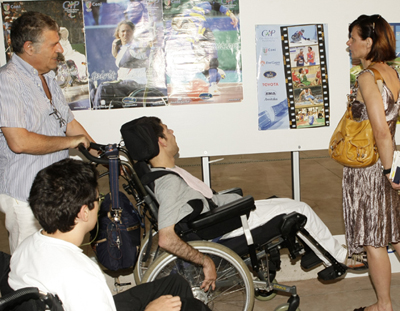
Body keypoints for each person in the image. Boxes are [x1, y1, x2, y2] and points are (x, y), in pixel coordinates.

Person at [8, 158, 273, 311]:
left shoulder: (26, 248)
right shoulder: (80, 273)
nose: (100, 202)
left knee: (176, 285)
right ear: (82, 213)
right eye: (96, 198)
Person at [129, 116, 367, 289]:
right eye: (167, 130)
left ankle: (315, 251)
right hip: (227, 225)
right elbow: (167, 237)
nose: (172, 132)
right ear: (160, 141)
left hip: (226, 215)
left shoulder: (164, 172)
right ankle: (338, 260)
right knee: (298, 210)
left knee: (283, 202)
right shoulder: (168, 183)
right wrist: (205, 260)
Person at [0, 11, 95, 254]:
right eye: (53, 44)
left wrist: (99, 151)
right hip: (24, 196)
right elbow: (18, 141)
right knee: (29, 266)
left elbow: (68, 122)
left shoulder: (48, 77)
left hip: (53, 192)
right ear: (29, 47)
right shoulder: (7, 81)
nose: (60, 49)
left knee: (56, 258)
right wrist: (72, 142)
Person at [344, 14, 400, 311]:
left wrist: (388, 172)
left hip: (372, 168)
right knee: (394, 233)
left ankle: (383, 305)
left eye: (353, 37)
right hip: (388, 161)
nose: (349, 43)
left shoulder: (367, 78)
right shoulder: (390, 73)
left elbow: (380, 130)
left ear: (369, 42)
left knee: (374, 236)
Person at [93, 20, 152, 109]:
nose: (125, 33)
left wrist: (148, 44)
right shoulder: (123, 49)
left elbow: (140, 50)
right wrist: (115, 51)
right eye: (123, 31)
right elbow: (124, 60)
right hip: (123, 83)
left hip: (135, 84)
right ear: (118, 34)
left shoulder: (135, 46)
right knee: (93, 92)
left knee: (103, 88)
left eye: (128, 31)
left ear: (133, 33)